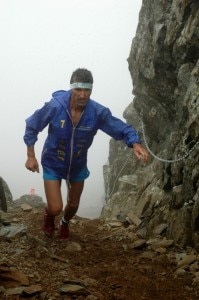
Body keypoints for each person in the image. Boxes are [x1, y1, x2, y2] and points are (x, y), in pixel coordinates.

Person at [24, 68, 149, 240]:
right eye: (78, 90)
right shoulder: (55, 106)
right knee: (55, 208)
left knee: (73, 204)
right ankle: (49, 217)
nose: (83, 95)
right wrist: (31, 156)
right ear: (71, 88)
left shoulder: (97, 112)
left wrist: (135, 143)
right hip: (53, 161)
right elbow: (32, 125)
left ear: (91, 90)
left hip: (77, 164)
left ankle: (65, 223)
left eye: (87, 90)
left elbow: (118, 126)